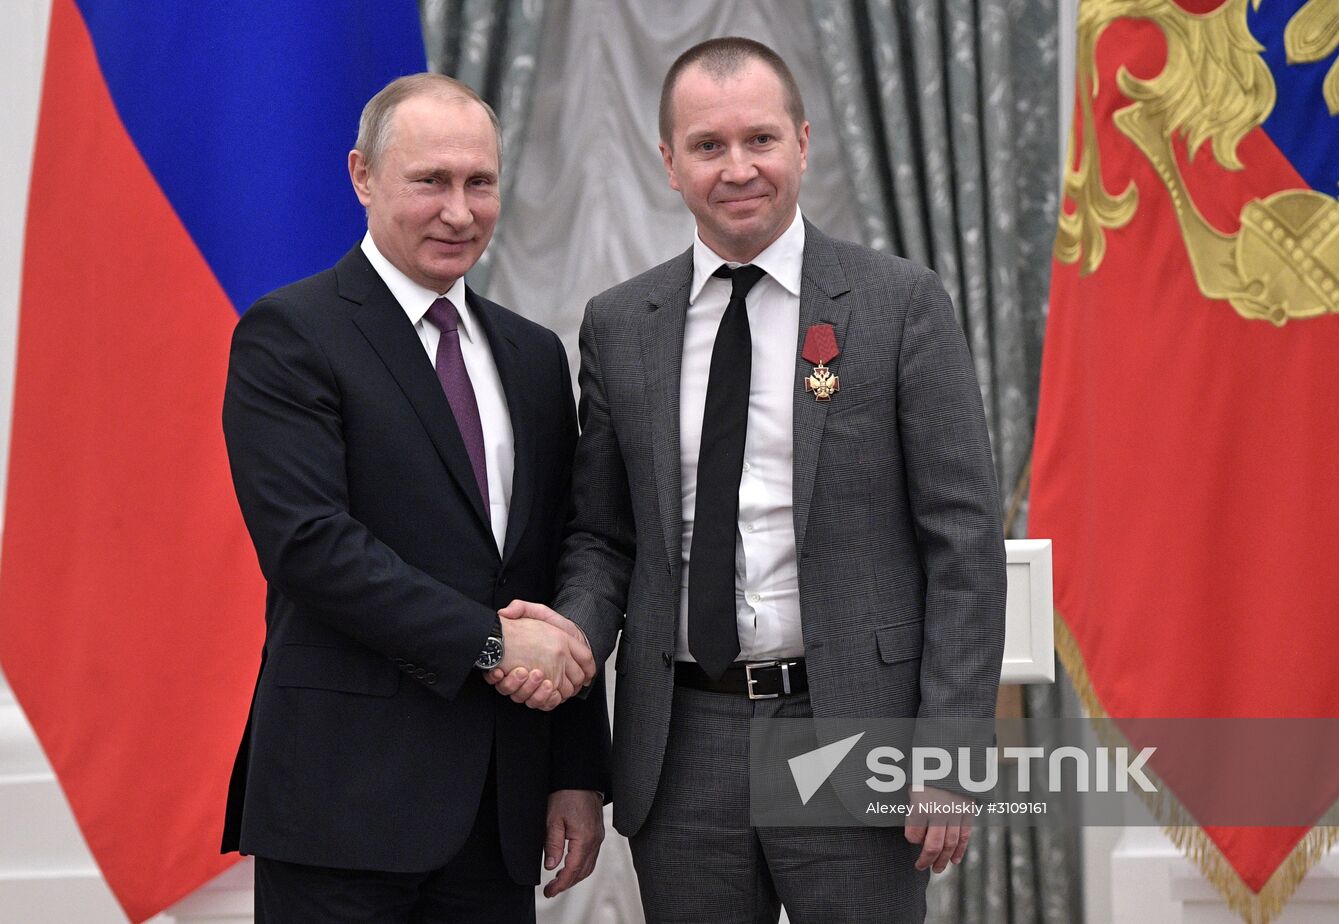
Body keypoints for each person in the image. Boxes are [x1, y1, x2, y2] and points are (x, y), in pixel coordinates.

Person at [490, 37, 1006, 924]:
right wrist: (567, 638)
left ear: (802, 142)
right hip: (684, 744)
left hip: (853, 730)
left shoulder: (899, 304)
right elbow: (603, 538)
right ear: (669, 163)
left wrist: (949, 751)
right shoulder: (619, 326)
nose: (739, 169)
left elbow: (962, 542)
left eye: (760, 140)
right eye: (708, 146)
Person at [220, 73, 609, 923]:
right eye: (430, 181)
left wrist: (575, 769)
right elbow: (311, 545)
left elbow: (558, 556)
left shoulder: (534, 354)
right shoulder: (289, 334)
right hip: (342, 808)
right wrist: (489, 644)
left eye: (480, 183)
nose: (459, 211)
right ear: (363, 176)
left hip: (498, 814)